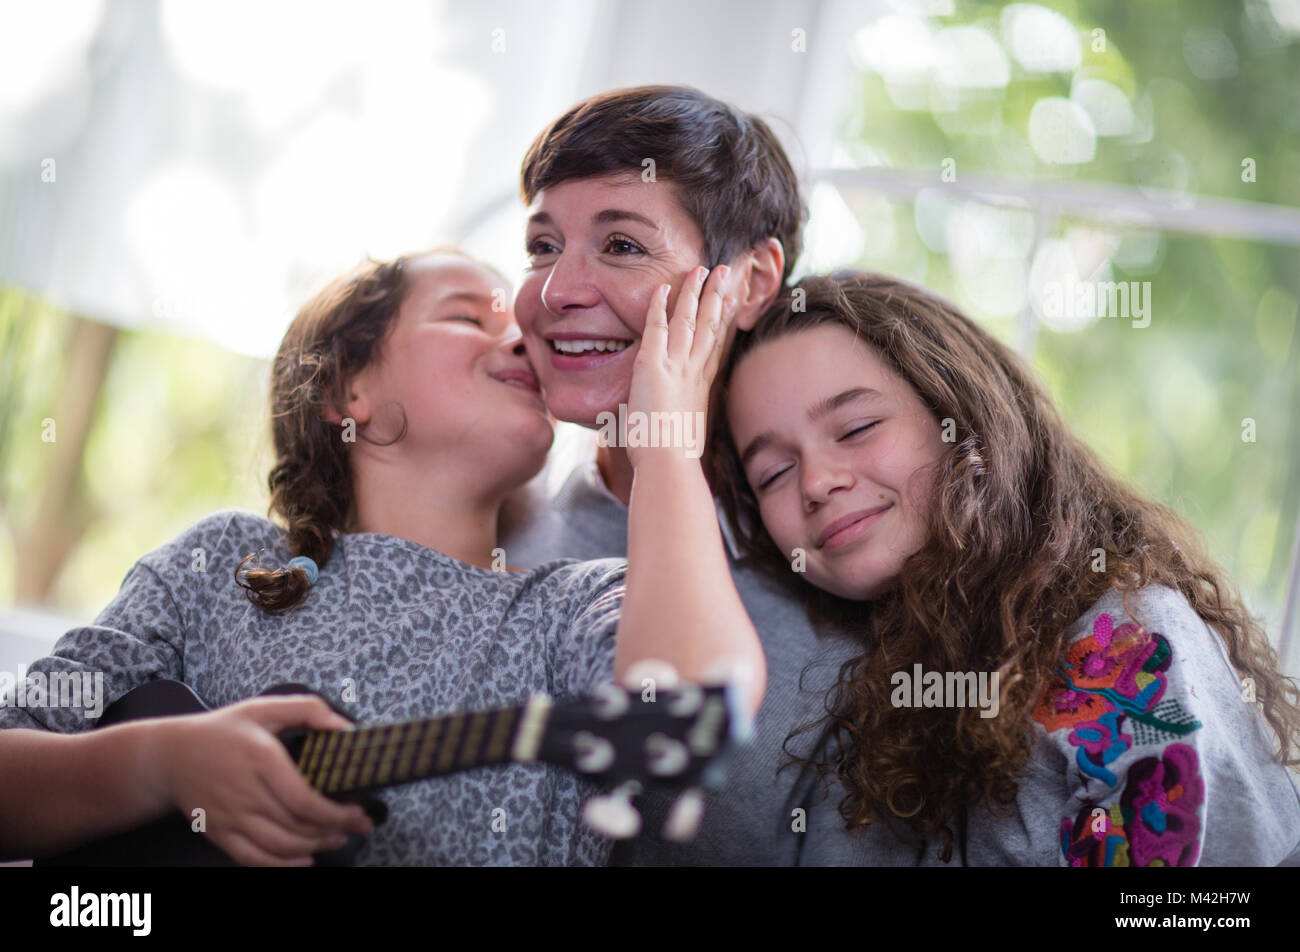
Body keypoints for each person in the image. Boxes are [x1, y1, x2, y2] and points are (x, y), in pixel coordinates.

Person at [0, 248, 764, 867]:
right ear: (347, 387)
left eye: (519, 326)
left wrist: (666, 437)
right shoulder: (220, 565)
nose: (520, 337)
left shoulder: (570, 611)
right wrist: (157, 766)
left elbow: (694, 692)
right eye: (469, 315)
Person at [711, 270, 1300, 865]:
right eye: (774, 474)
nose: (815, 481)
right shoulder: (877, 675)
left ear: (961, 419)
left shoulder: (1123, 638)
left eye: (857, 428)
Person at [497, 84, 862, 865]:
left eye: (622, 245)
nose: (557, 291)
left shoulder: (841, 543)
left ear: (752, 282)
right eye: (542, 247)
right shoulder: (502, 530)